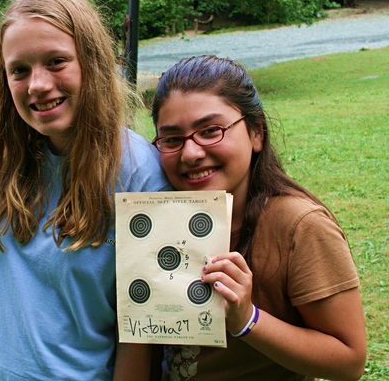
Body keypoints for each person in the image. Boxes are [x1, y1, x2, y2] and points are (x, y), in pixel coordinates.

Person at [0, 0, 168, 380]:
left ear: (93, 63)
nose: (37, 85)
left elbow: (142, 332)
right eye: (19, 70)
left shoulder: (139, 174)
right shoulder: (6, 158)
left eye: (56, 61)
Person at [149, 55, 367, 380]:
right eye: (172, 139)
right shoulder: (157, 219)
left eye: (210, 131)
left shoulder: (300, 225)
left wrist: (247, 320)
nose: (191, 153)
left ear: (256, 133)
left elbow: (349, 360)